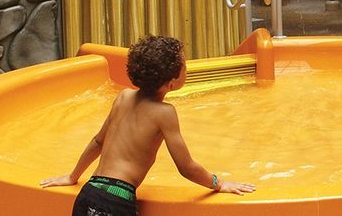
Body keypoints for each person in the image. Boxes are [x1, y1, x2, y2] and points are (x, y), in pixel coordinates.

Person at [40, 36, 255, 214]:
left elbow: (98, 141)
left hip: (88, 193)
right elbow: (186, 167)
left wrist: (72, 176)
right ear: (172, 82)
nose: (187, 69)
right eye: (185, 66)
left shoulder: (123, 97)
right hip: (116, 202)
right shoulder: (164, 113)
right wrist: (219, 183)